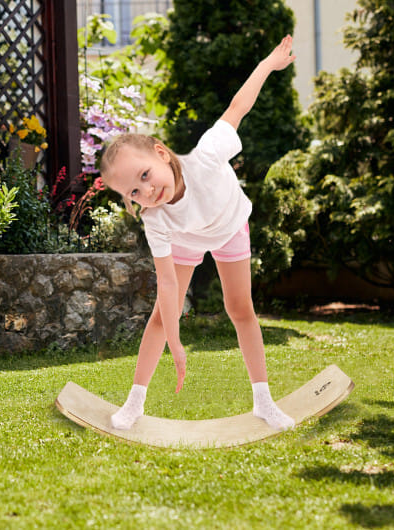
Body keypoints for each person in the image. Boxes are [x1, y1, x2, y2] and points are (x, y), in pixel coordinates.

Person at [100, 35, 297, 431]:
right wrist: (176, 343)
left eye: (145, 175)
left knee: (240, 309)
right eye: (134, 192)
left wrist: (267, 65)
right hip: (188, 239)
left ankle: (264, 401)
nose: (146, 191)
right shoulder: (156, 219)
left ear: (161, 153)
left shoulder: (207, 155)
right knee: (162, 315)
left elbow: (237, 107)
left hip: (229, 227)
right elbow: (168, 284)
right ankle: (134, 403)